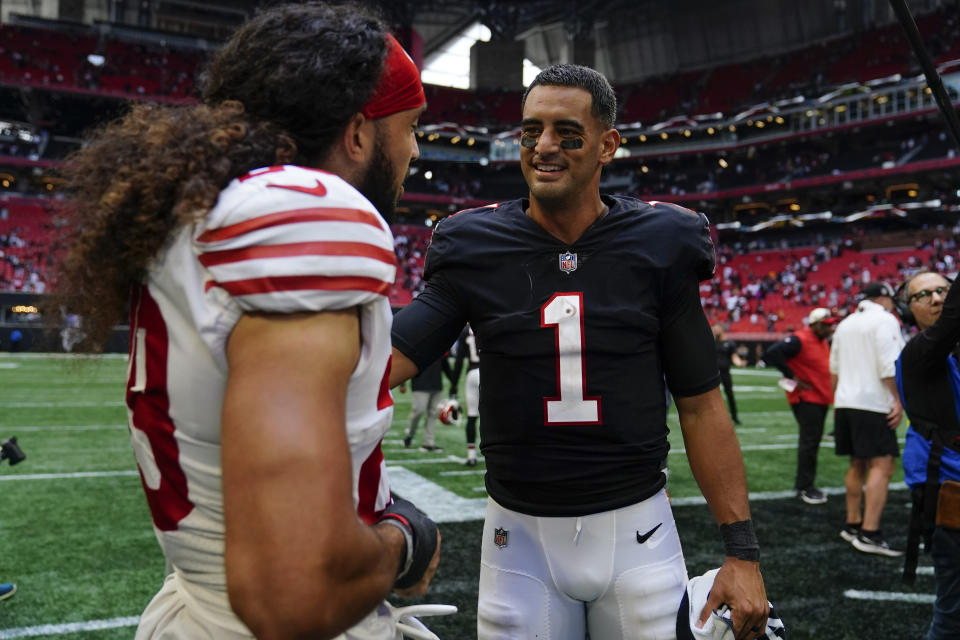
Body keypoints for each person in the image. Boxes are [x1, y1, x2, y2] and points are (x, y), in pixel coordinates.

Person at [55, 4, 446, 638]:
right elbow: (293, 592)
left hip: (196, 605)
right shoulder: (307, 214)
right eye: (411, 126)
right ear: (357, 132)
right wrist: (405, 542)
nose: (414, 148)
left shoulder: (200, 210)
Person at [391, 64, 769, 640]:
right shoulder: (472, 244)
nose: (543, 146)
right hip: (516, 536)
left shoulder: (660, 241)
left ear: (606, 145)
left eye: (566, 131)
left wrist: (742, 553)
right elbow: (388, 360)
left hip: (637, 528)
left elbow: (700, 404)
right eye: (530, 130)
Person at [895, 271, 960, 639]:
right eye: (924, 295)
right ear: (909, 310)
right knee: (954, 612)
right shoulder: (918, 352)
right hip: (947, 491)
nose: (936, 299)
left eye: (942, 290)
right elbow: (952, 321)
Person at [830, 282, 905, 556]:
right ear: (883, 298)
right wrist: (899, 399)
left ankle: (852, 523)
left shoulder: (846, 323)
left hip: (846, 400)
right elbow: (890, 366)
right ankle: (870, 532)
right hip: (872, 402)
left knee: (857, 464)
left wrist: (838, 400)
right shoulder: (885, 320)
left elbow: (834, 369)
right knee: (882, 465)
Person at [763, 307, 838, 505]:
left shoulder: (821, 341)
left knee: (812, 442)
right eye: (826, 325)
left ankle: (805, 484)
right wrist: (791, 375)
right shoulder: (800, 339)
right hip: (807, 398)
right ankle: (805, 486)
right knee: (809, 442)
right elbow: (772, 353)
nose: (830, 328)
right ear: (814, 324)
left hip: (819, 397)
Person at [403, 356, 454, 452]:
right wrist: (402, 383)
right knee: (418, 411)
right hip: (420, 384)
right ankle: (410, 434)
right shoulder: (418, 345)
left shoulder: (440, 347)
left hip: (436, 384)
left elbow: (445, 364)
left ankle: (428, 442)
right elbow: (407, 363)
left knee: (433, 414)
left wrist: (453, 382)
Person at [449, 325, 481, 466]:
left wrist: (454, 384)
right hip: (488, 372)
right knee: (492, 417)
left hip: (472, 373)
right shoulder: (490, 320)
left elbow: (459, 361)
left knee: (472, 416)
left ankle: (471, 455)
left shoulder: (464, 331)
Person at [712, 324, 745, 425]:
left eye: (716, 328)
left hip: (725, 373)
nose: (714, 330)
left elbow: (734, 357)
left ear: (722, 330)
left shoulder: (730, 343)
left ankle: (735, 418)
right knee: (712, 397)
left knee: (730, 395)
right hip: (713, 374)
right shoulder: (712, 342)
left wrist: (739, 363)